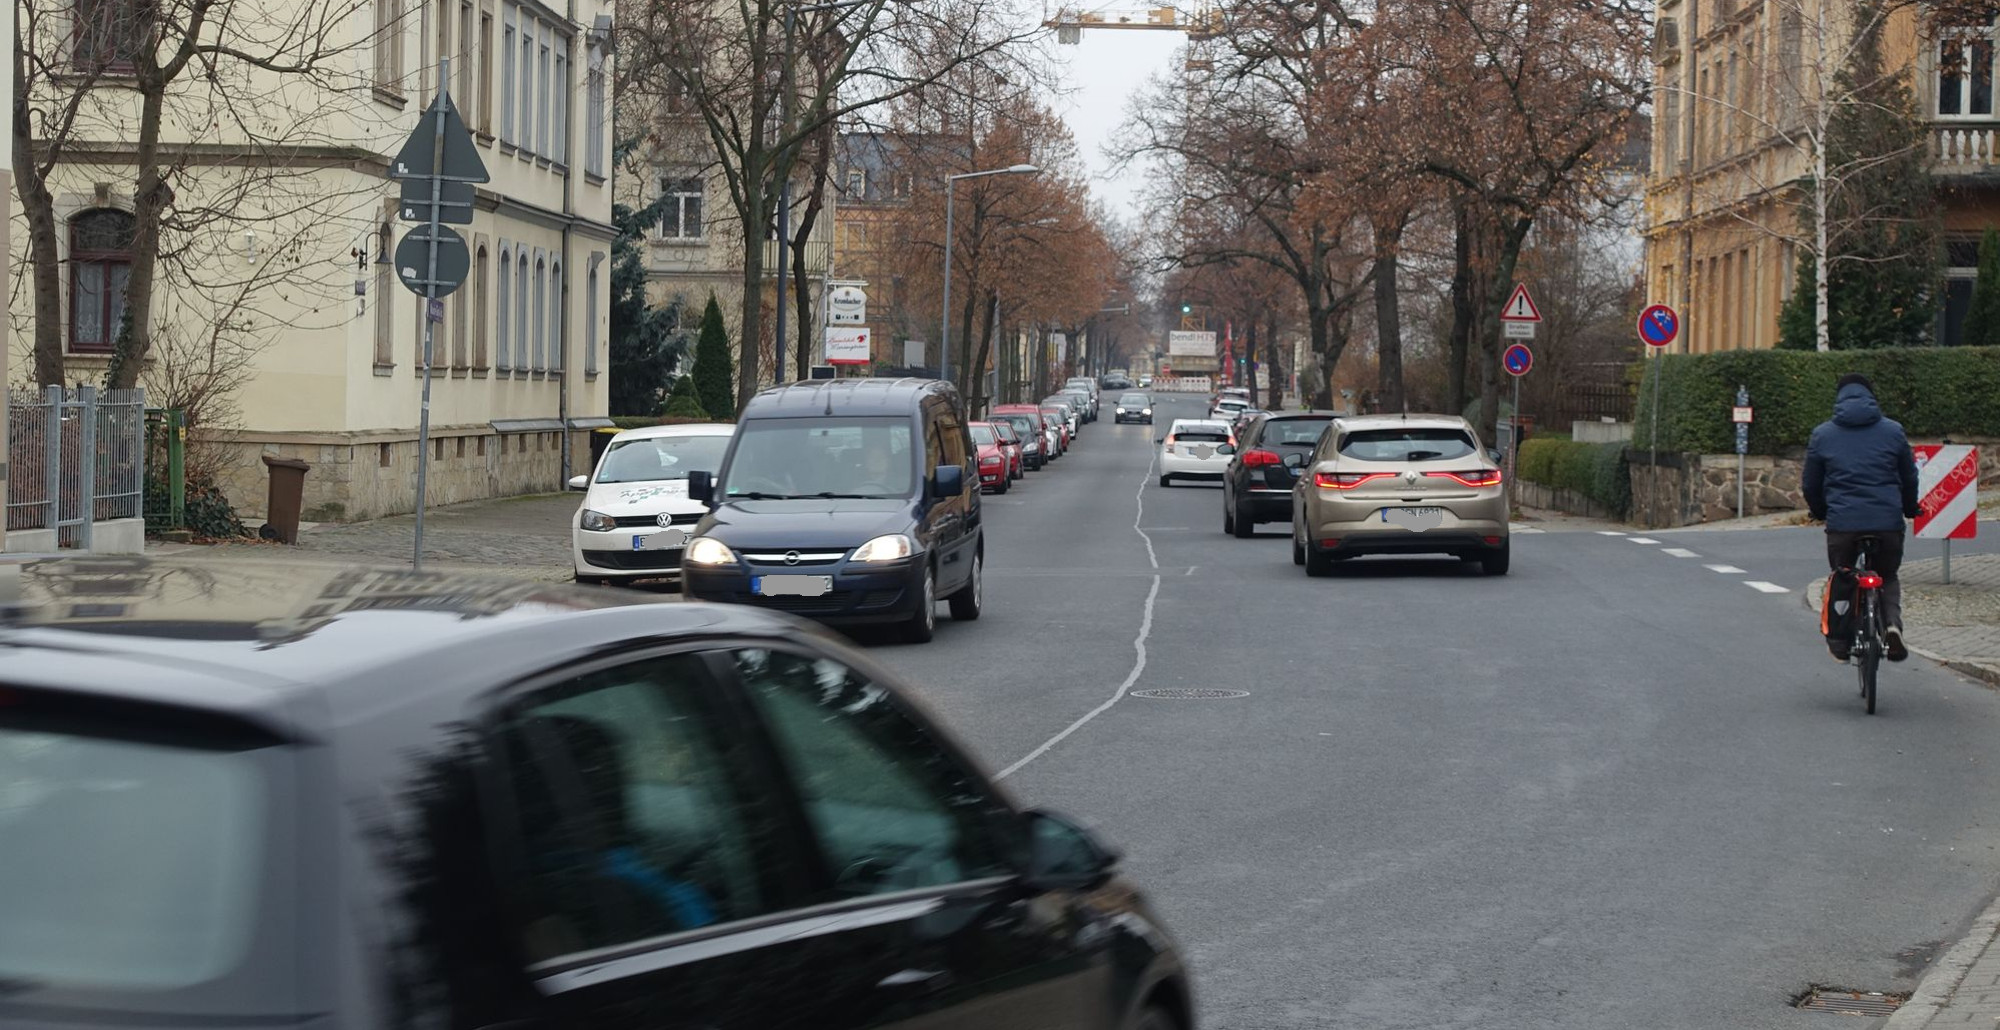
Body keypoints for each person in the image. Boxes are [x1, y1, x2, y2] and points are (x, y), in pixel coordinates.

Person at [1803, 372, 1920, 662]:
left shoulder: (1823, 434)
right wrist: (1909, 508)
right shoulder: (1893, 431)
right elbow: (1909, 477)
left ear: (1839, 399)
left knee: (1843, 576)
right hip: (1887, 522)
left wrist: (1820, 511)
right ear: (1871, 397)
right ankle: (1892, 626)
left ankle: (1839, 642)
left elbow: (1811, 484)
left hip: (1843, 524)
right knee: (1887, 575)